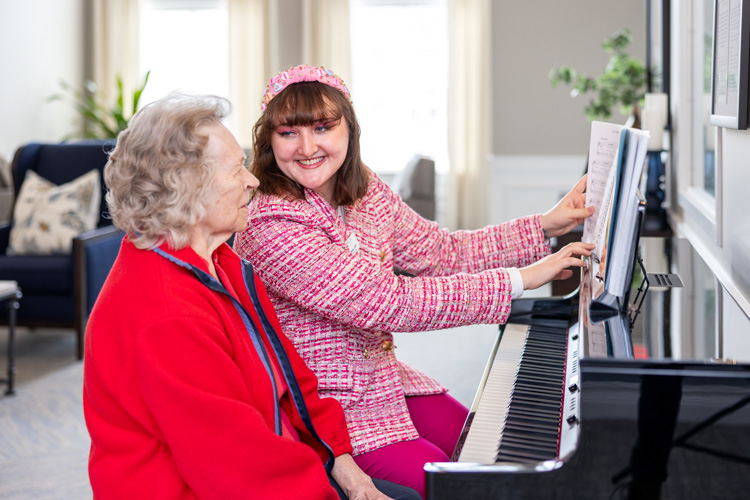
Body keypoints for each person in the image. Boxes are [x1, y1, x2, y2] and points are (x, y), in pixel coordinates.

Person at [233, 65, 595, 498]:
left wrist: (545, 225)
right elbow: (389, 303)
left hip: (389, 381)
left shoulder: (365, 191)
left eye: (323, 127)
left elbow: (444, 252)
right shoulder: (270, 223)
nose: (307, 147)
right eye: (288, 132)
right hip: (333, 415)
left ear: (350, 128)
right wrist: (521, 279)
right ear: (270, 141)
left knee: (493, 452)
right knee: (467, 488)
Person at [82, 92, 420, 500]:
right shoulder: (166, 314)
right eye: (236, 169)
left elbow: (292, 379)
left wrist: (346, 467)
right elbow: (237, 470)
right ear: (188, 189)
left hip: (266, 466)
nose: (253, 180)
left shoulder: (223, 262)